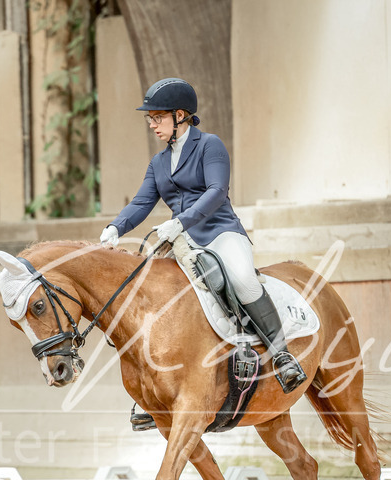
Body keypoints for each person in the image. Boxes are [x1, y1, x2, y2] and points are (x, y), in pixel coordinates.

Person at [100, 77, 306, 396]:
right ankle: (150, 389)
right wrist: (116, 227)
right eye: (150, 118)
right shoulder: (158, 162)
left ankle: (282, 356)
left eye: (158, 117)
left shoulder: (210, 145)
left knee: (242, 280)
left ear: (180, 115)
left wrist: (181, 222)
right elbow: (142, 202)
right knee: (149, 293)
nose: (153, 125)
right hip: (180, 242)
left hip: (220, 232)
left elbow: (216, 191)